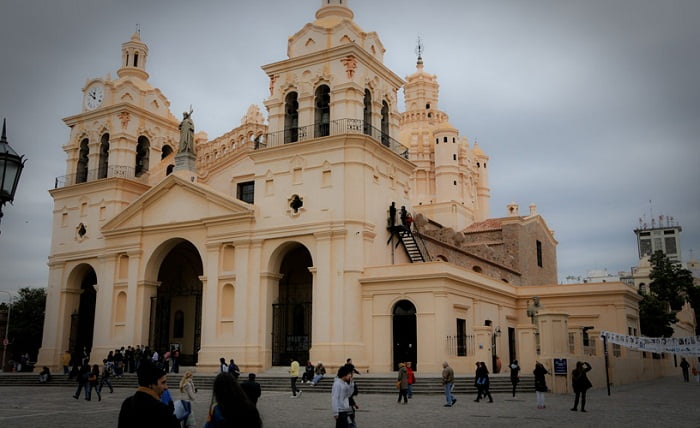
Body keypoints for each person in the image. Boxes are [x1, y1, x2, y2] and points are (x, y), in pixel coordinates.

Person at [118, 361, 180, 428]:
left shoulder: (127, 404)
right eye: (163, 382)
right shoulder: (162, 411)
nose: (166, 387)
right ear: (151, 384)